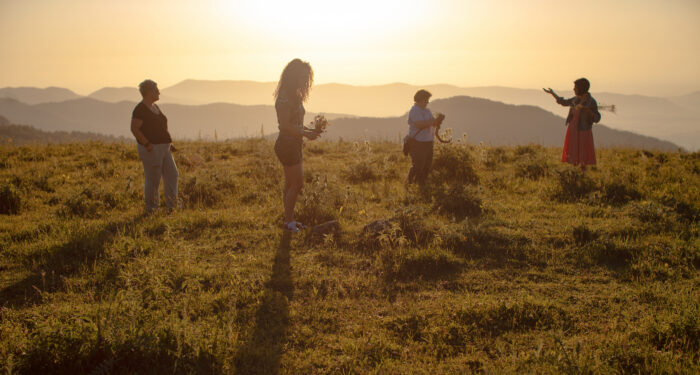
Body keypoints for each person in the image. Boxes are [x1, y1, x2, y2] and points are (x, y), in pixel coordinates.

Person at [273, 59, 320, 232]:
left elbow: (295, 124)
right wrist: (305, 133)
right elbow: (285, 125)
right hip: (287, 144)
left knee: (289, 184)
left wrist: (309, 130)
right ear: (294, 76)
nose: (304, 80)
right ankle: (288, 221)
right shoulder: (285, 97)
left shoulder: (293, 95)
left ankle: (289, 220)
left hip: (292, 143)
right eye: (302, 76)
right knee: (297, 183)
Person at [130, 79, 178, 213]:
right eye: (156, 90)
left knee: (172, 174)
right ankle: (152, 209)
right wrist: (147, 144)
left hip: (164, 148)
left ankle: (172, 206)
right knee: (153, 179)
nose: (159, 93)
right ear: (149, 92)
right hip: (152, 149)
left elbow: (160, 128)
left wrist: (169, 143)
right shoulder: (140, 109)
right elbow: (134, 128)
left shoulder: (155, 107)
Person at [544, 78, 601, 170]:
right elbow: (564, 102)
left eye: (575, 87)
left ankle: (583, 175)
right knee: (574, 154)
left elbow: (597, 118)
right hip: (573, 130)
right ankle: (575, 173)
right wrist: (553, 94)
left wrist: (588, 111)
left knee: (583, 155)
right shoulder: (575, 99)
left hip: (583, 131)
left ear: (581, 88)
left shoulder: (591, 102)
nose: (574, 89)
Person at [406, 89, 444, 184]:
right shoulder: (414, 111)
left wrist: (437, 121)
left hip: (428, 142)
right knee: (418, 165)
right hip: (418, 142)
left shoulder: (427, 111)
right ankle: (410, 183)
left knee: (427, 165)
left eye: (427, 100)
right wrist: (433, 122)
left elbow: (431, 123)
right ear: (419, 100)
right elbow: (420, 124)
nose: (427, 102)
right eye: (425, 100)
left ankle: (421, 184)